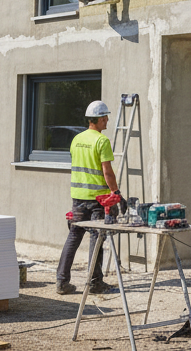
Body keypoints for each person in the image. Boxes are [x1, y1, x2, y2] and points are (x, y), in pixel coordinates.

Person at [55, 100, 119, 295]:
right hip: (98, 199)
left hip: (78, 196)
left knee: (73, 237)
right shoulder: (102, 141)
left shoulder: (77, 139)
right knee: (96, 238)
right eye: (105, 117)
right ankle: (94, 283)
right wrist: (116, 193)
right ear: (99, 119)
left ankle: (61, 282)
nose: (107, 120)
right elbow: (107, 171)